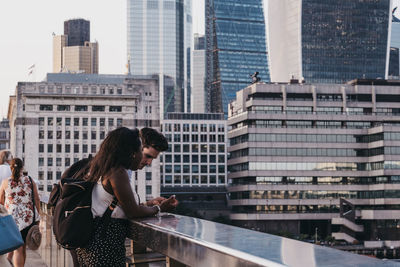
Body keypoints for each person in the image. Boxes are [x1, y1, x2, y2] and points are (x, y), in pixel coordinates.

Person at [75, 127, 177, 267]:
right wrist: (158, 208)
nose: (146, 161)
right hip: (104, 245)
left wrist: (148, 204)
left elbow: (119, 205)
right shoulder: (117, 172)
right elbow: (132, 211)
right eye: (143, 153)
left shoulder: (106, 167)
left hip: (96, 243)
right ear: (132, 151)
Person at [0, 158, 40, 267]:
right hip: (27, 218)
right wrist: (39, 214)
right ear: (22, 167)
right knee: (23, 248)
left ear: (11, 167)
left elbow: (1, 201)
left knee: (18, 249)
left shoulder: (5, 182)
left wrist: (10, 205)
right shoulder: (30, 180)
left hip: (11, 219)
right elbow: (36, 199)